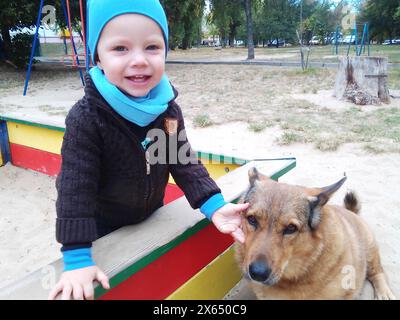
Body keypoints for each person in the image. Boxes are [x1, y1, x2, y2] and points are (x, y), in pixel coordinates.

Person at [48, 0, 249, 300]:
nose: (139, 60)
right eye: (121, 49)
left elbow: (182, 162)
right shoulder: (87, 118)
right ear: (98, 58)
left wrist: (214, 205)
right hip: (104, 227)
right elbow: (75, 190)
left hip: (150, 212)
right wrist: (77, 258)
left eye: (152, 47)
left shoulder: (166, 111)